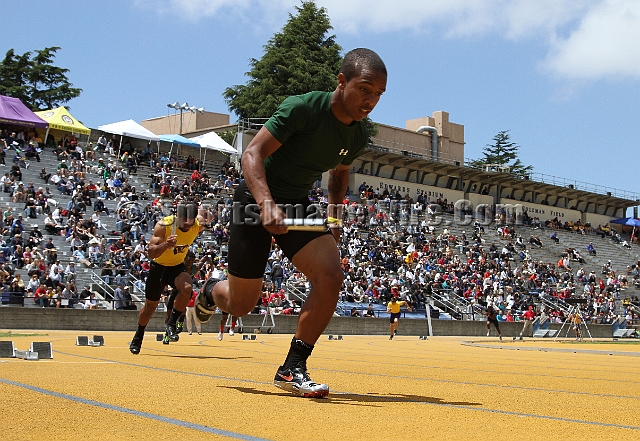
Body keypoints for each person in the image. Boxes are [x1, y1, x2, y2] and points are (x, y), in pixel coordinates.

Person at [195, 48, 387, 398]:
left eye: (378, 94)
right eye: (364, 88)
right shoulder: (301, 108)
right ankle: (210, 290)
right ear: (342, 82)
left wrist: (334, 217)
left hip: (298, 203)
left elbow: (339, 175)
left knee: (331, 275)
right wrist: (266, 205)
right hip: (255, 200)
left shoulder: (357, 135)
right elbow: (251, 153)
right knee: (241, 306)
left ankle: (292, 368)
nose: (371, 100)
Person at [129, 203, 211, 354]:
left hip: (176, 266)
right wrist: (166, 244)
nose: (187, 226)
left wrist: (206, 213)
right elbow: (151, 253)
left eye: (190, 223)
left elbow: (207, 216)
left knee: (187, 288)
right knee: (149, 308)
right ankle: (138, 335)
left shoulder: (197, 224)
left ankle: (172, 323)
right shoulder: (164, 225)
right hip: (159, 267)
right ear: (177, 217)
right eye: (184, 222)